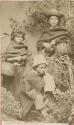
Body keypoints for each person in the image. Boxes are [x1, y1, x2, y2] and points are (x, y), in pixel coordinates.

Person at [36, 9, 73, 92]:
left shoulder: (62, 31)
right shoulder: (45, 32)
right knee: (41, 65)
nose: (54, 21)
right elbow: (38, 43)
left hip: (59, 55)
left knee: (55, 65)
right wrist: (44, 44)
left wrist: (56, 41)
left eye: (56, 19)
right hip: (47, 54)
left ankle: (58, 91)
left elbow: (66, 38)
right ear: (49, 20)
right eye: (52, 19)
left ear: (58, 21)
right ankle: (46, 90)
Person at [20, 54, 55, 121]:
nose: (44, 69)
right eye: (41, 68)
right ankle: (44, 114)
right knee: (38, 98)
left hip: (40, 95)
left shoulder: (43, 76)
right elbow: (26, 89)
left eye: (45, 67)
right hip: (28, 97)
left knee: (49, 97)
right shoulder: (29, 76)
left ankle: (47, 112)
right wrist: (36, 95)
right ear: (35, 68)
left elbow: (46, 85)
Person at [2, 26, 30, 97]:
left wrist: (24, 57)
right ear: (14, 37)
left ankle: (18, 99)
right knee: (10, 88)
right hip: (11, 69)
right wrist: (16, 58)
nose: (19, 38)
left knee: (22, 81)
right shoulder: (10, 46)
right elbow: (5, 59)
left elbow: (27, 57)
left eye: (21, 37)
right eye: (17, 36)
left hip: (21, 68)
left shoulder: (24, 46)